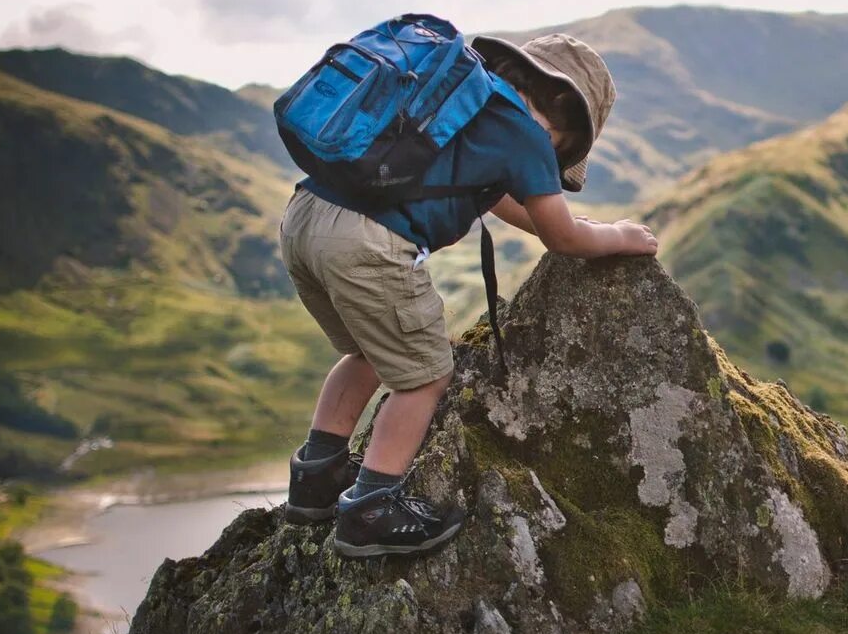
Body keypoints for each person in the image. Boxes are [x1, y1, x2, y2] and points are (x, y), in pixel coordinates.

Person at [277, 33, 657, 558]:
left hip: (304, 219)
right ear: (567, 123)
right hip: (367, 244)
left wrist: (576, 222)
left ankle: (315, 476)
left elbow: (504, 201)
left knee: (364, 351)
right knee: (425, 379)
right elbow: (562, 237)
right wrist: (618, 235)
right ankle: (370, 507)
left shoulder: (465, 102)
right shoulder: (525, 136)